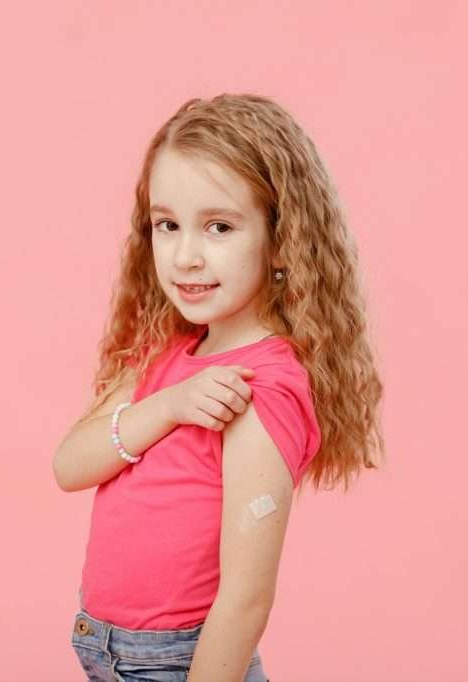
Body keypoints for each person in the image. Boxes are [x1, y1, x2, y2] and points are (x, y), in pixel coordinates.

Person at [52, 93, 386, 682]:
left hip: (180, 664)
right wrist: (168, 406)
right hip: (105, 651)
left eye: (219, 227)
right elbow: (70, 465)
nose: (185, 255)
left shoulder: (261, 387)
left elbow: (245, 600)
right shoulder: (166, 355)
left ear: (281, 239)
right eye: (167, 225)